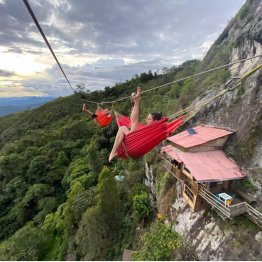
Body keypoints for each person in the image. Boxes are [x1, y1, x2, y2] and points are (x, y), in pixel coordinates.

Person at [108, 87, 163, 162]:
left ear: (155, 121)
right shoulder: (148, 129)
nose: (146, 120)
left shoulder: (153, 130)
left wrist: (136, 103)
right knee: (131, 126)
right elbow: (134, 121)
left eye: (149, 119)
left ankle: (113, 152)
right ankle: (135, 103)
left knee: (123, 128)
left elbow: (134, 121)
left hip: (134, 148)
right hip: (135, 152)